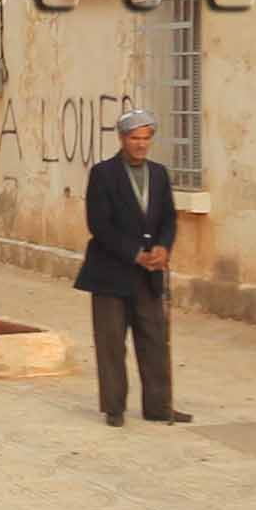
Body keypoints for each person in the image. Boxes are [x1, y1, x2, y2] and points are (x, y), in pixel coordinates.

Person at [76, 109, 193, 425]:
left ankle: (159, 406)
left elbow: (168, 217)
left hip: (150, 275)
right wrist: (134, 253)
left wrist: (162, 248)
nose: (141, 145)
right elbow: (99, 224)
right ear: (122, 139)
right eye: (134, 138)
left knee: (154, 339)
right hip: (110, 273)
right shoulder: (103, 174)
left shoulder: (158, 174)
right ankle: (114, 407)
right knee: (112, 342)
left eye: (146, 138)